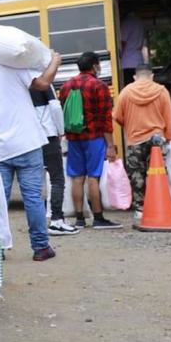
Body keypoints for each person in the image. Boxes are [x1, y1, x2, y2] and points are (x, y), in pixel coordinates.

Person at [0, 53, 63, 261]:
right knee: (32, 197)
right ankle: (41, 248)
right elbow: (43, 83)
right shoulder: (14, 69)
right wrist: (55, 63)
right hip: (28, 144)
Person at [59, 52, 123, 230]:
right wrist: (110, 145)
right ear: (95, 66)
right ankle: (98, 218)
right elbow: (105, 119)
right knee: (93, 177)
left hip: (73, 138)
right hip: (94, 138)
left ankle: (79, 219)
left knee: (77, 178)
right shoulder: (99, 86)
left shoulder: (66, 86)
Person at [114, 63, 171, 220]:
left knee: (137, 175)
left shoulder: (126, 92)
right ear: (152, 76)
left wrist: (129, 126)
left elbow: (118, 116)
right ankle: (159, 204)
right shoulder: (161, 91)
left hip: (135, 139)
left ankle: (140, 208)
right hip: (157, 139)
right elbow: (168, 117)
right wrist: (168, 137)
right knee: (158, 174)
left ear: (135, 77)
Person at [31, 86, 78, 235]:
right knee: (57, 179)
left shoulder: (19, 80)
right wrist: (61, 131)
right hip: (48, 134)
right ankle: (57, 221)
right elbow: (55, 107)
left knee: (31, 183)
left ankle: (36, 224)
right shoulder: (42, 82)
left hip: (28, 137)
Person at [120, 11, 149, 86]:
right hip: (139, 60)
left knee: (130, 88)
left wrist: (118, 59)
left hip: (128, 63)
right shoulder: (140, 23)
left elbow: (123, 42)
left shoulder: (127, 22)